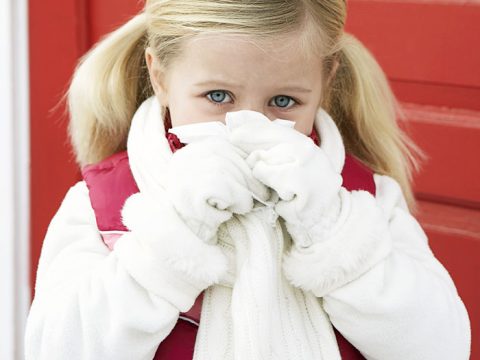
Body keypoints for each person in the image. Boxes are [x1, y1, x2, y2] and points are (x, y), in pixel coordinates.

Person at [24, 0, 471, 359]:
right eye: (217, 96)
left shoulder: (363, 201)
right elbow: (57, 348)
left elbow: (442, 346)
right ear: (159, 76)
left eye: (283, 100)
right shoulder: (101, 206)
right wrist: (172, 235)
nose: (249, 124)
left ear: (325, 81)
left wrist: (333, 234)